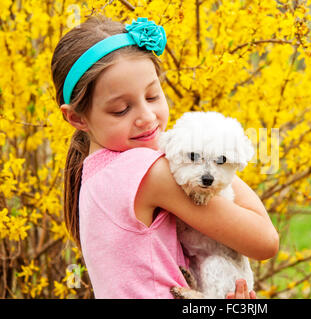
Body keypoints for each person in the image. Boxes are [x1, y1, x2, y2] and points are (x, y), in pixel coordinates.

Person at [51, 14, 278, 299]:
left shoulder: (94, 174)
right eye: (121, 109)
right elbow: (265, 241)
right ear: (76, 118)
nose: (146, 118)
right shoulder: (148, 171)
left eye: (152, 97)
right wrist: (213, 147)